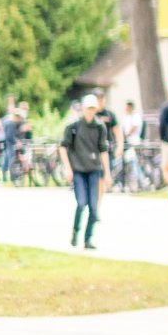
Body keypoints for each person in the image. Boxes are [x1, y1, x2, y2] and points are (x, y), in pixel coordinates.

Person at [59, 96, 112, 248]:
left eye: (93, 108)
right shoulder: (74, 126)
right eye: (88, 108)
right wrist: (68, 168)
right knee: (81, 203)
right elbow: (63, 147)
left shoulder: (99, 127)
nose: (90, 111)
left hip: (94, 169)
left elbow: (103, 150)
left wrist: (107, 172)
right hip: (78, 170)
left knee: (94, 207)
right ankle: (76, 232)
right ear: (83, 109)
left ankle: (88, 238)